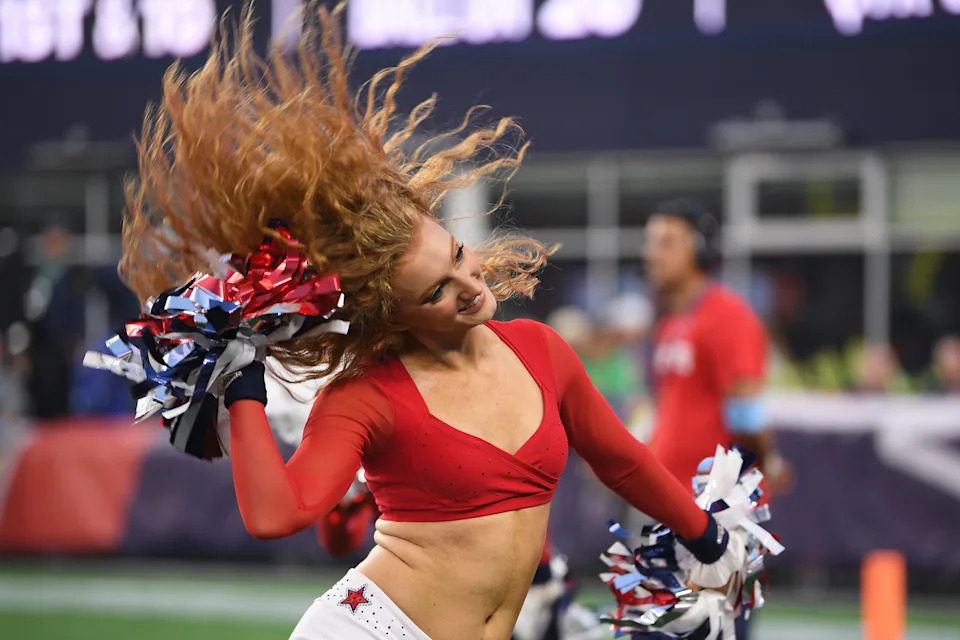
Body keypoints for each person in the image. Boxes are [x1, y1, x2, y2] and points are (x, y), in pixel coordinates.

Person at [119, 6, 744, 640]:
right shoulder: (366, 395)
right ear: (394, 315)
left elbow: (622, 461)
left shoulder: (541, 350)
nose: (470, 286)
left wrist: (706, 537)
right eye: (437, 291)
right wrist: (241, 381)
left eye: (458, 255)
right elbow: (277, 515)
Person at [642, 199, 793, 639]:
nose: (651, 253)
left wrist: (770, 461)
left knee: (715, 630)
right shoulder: (670, 323)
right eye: (651, 242)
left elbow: (745, 411)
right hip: (673, 506)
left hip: (718, 512)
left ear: (700, 250)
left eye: (666, 242)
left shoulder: (727, 315)